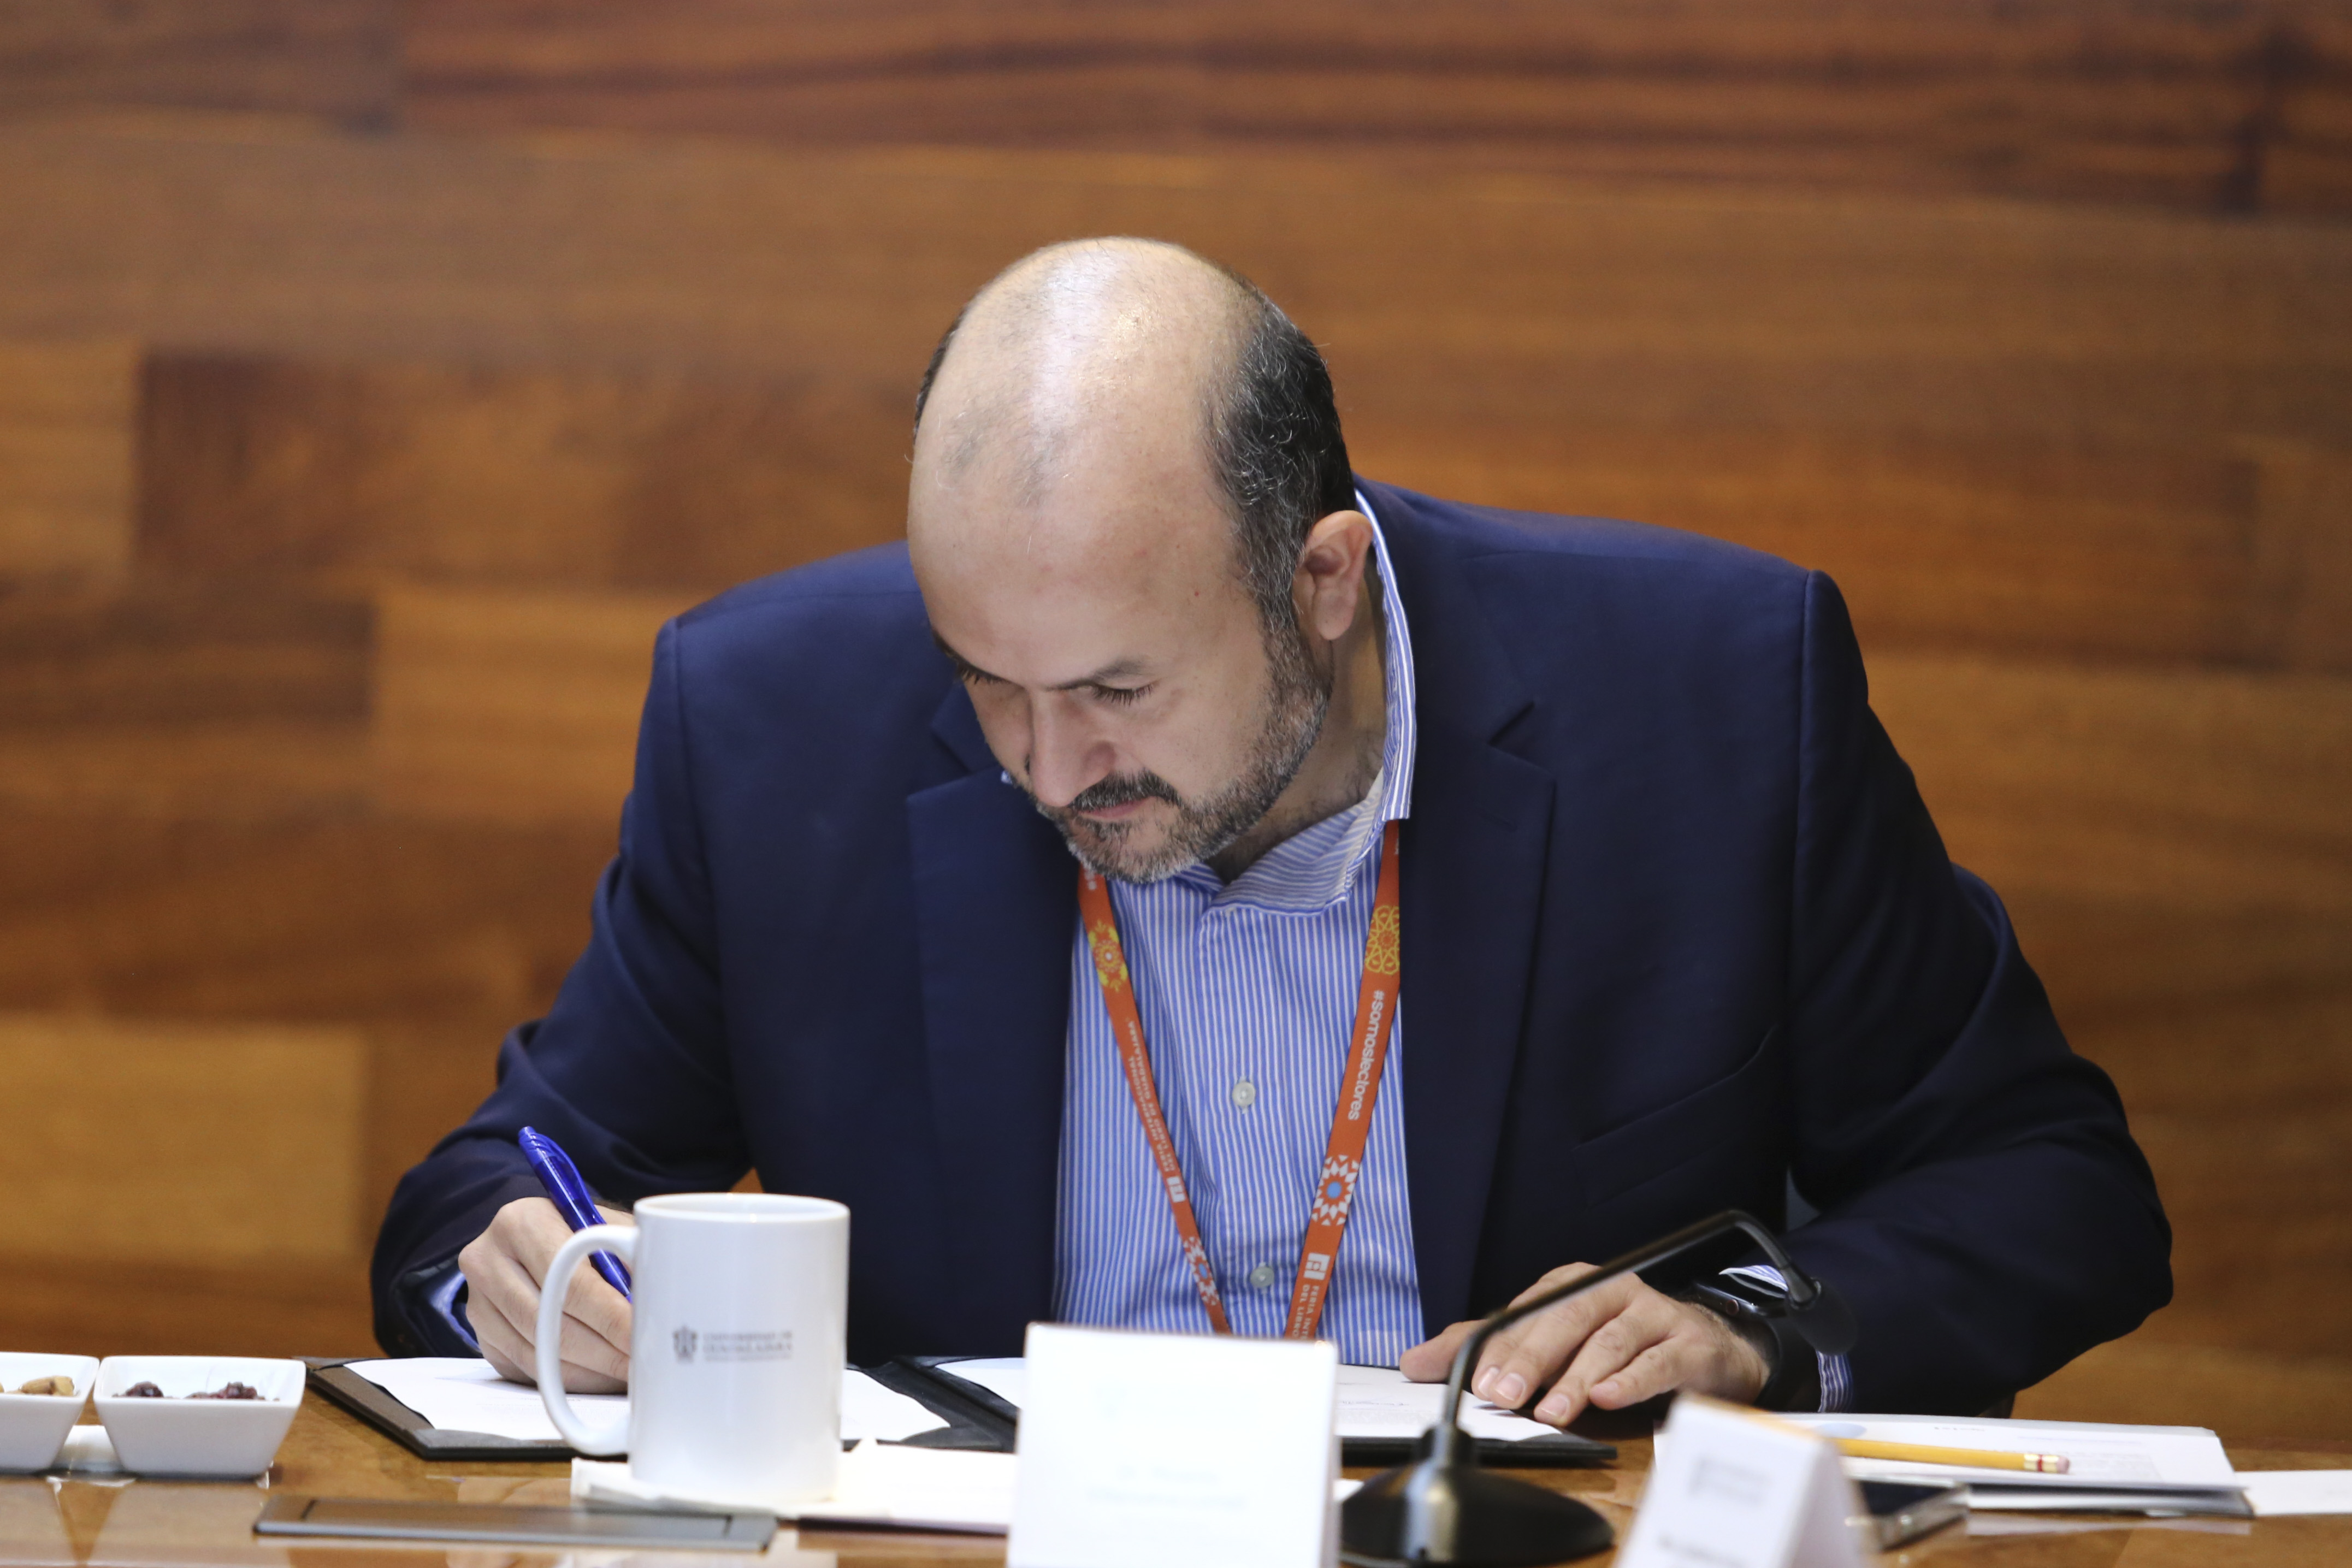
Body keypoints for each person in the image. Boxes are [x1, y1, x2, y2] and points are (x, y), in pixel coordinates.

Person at [372, 238, 2170, 1424]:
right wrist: (517, 1279)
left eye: (1117, 689)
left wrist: (1752, 1317)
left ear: (1321, 580)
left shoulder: (1710, 700)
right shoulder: (775, 721)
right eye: (986, 682)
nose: (1043, 768)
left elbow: (2049, 1186)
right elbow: (484, 1190)